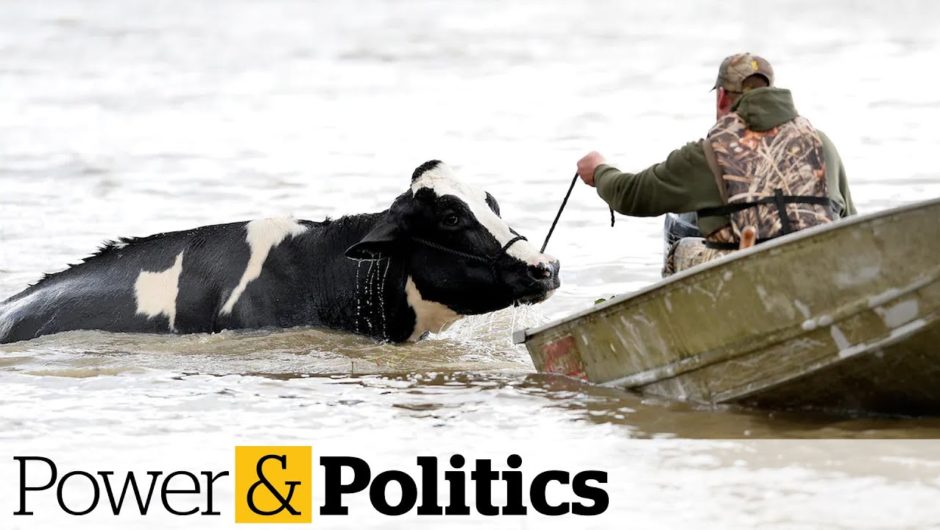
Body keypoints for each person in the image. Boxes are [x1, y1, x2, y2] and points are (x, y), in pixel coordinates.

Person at [576, 53, 856, 276]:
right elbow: (850, 222)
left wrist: (600, 170)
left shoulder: (710, 153)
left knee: (682, 243)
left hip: (750, 281)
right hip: (822, 269)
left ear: (722, 96)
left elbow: (631, 195)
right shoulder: (820, 142)